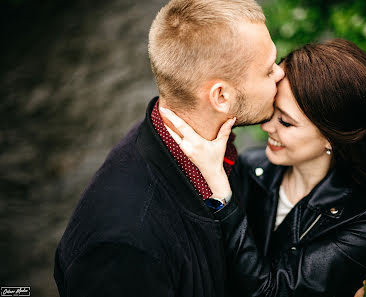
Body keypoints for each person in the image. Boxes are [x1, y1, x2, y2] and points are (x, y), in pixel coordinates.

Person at [53, 1, 285, 296]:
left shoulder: (211, 152)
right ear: (221, 96)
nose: (280, 74)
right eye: (268, 70)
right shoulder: (123, 247)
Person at [162, 38, 366, 296]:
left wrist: (221, 195)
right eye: (273, 112)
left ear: (332, 137)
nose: (266, 127)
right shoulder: (251, 167)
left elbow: (272, 291)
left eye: (286, 123)